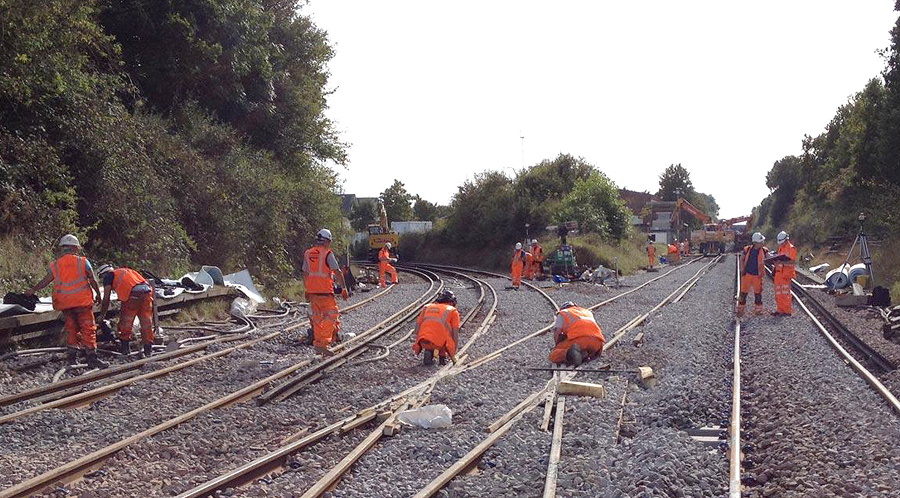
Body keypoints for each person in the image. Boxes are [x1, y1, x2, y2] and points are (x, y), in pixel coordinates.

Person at [25, 234, 107, 369]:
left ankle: (72, 359)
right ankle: (92, 358)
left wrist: (32, 290)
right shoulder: (82, 262)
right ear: (75, 248)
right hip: (82, 303)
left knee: (71, 330)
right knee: (88, 329)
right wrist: (98, 294)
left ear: (62, 248)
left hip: (65, 304)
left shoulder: (55, 265)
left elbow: (45, 281)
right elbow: (92, 280)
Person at [302, 229, 349, 356]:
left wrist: (306, 289)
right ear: (327, 241)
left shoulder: (307, 253)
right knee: (332, 315)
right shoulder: (327, 254)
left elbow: (305, 273)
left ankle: (318, 345)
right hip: (325, 291)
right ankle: (323, 343)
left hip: (312, 292)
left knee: (317, 317)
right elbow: (337, 271)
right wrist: (344, 288)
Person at [96, 265, 155, 358]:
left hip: (132, 296)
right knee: (146, 322)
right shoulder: (125, 271)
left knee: (125, 322)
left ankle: (125, 350)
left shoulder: (108, 276)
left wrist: (102, 315)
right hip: (146, 294)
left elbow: (106, 299)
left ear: (104, 274)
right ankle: (148, 350)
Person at [412, 290, 461, 366]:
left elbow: (417, 327)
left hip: (423, 341)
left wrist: (417, 341)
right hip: (440, 343)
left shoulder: (426, 307)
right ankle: (442, 357)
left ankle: (440, 356)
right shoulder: (453, 311)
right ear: (451, 302)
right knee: (446, 334)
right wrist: (454, 350)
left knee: (441, 331)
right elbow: (455, 332)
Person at [548, 302, 605, 366]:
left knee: (553, 354)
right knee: (589, 348)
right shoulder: (587, 312)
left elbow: (557, 332)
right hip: (597, 342)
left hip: (578, 340)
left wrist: (557, 346)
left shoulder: (563, 312)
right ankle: (587, 354)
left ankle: (571, 354)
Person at [737, 232, 767, 316]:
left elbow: (769, 257)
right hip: (747, 275)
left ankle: (758, 310)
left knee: (758, 294)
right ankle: (740, 310)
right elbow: (741, 259)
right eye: (761, 241)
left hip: (757, 276)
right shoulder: (747, 249)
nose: (762, 243)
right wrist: (742, 269)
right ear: (755, 242)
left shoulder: (764, 250)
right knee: (743, 293)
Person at [772, 231, 797, 316]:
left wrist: (781, 262)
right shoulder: (781, 248)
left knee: (785, 293)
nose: (780, 244)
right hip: (778, 274)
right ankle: (780, 309)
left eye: (782, 243)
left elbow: (792, 262)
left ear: (786, 240)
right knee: (778, 292)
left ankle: (787, 311)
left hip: (786, 274)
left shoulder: (791, 248)